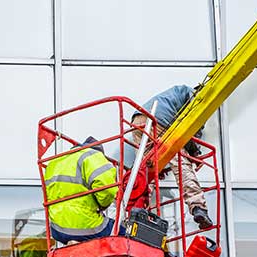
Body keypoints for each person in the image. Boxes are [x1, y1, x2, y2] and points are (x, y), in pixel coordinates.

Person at [132, 85, 213, 229]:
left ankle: (138, 211)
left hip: (138, 121)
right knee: (181, 162)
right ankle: (197, 206)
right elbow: (193, 123)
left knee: (145, 169)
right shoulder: (195, 95)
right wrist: (195, 153)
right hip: (160, 121)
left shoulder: (175, 93)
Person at [45, 136, 123, 245]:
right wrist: (103, 205)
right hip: (85, 226)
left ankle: (74, 242)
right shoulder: (92, 155)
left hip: (57, 229)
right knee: (124, 233)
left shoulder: (54, 163)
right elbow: (107, 191)